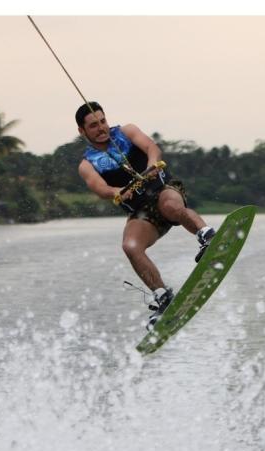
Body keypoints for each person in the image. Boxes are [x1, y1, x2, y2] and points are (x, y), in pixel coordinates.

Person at [75, 102, 216, 330]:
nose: (101, 128)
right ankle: (163, 296)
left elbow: (152, 148)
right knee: (130, 246)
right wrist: (116, 192)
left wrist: (151, 168)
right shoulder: (87, 164)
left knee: (171, 206)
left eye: (102, 121)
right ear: (82, 131)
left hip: (163, 191)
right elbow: (100, 188)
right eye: (93, 125)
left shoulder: (127, 132)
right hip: (142, 212)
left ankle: (207, 235)